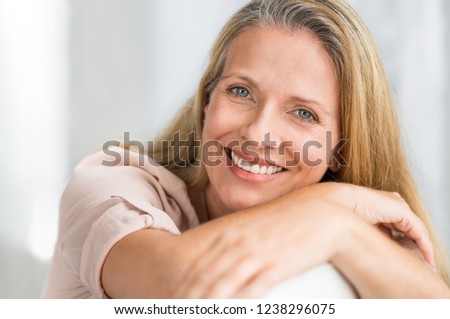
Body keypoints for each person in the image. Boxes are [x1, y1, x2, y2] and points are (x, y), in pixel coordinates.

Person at [43, 0, 450, 298]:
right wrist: (328, 215)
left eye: (304, 114)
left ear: (341, 149)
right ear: (207, 102)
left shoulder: (353, 228)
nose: (259, 133)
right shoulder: (109, 187)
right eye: (241, 91)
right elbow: (182, 290)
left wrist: (336, 227)